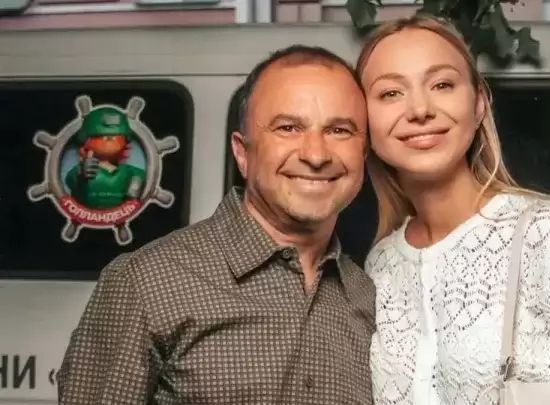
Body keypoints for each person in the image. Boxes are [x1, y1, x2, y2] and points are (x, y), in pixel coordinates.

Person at [358, 16, 550, 405]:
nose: (419, 109)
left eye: (442, 84)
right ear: (363, 121)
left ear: (478, 104)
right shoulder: (380, 263)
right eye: (391, 93)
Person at [57, 44, 376, 405]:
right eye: (288, 128)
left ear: (362, 155)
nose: (316, 154)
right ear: (242, 153)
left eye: (339, 130)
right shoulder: (145, 284)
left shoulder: (371, 298)